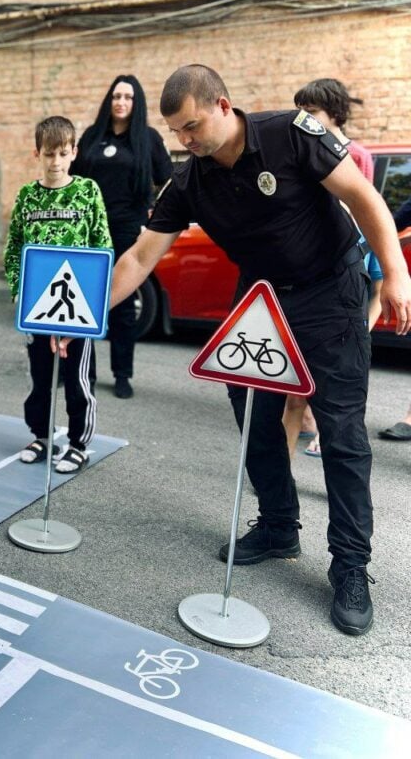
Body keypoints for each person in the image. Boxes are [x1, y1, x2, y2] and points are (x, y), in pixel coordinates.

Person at [106, 64, 411, 635]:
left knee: (342, 430)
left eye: (191, 126)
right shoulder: (190, 178)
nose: (185, 141)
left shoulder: (291, 133)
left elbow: (363, 195)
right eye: (175, 132)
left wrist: (394, 272)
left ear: (223, 105)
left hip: (330, 289)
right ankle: (277, 526)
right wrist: (88, 316)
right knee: (254, 413)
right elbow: (140, 258)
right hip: (264, 298)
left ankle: (350, 565)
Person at [4, 116, 112, 474]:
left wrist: (95, 300)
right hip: (37, 305)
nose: (55, 161)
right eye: (49, 154)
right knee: (40, 376)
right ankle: (42, 436)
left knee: (78, 379)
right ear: (37, 153)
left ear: (74, 152)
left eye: (63, 153)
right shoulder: (27, 195)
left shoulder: (87, 191)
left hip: (77, 305)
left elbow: (102, 245)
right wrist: (19, 291)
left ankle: (79, 443)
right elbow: (14, 248)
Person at [283, 79, 378, 458]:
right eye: (300, 108)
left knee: (337, 378)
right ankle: (282, 465)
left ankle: (327, 438)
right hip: (307, 263)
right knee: (294, 386)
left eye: (313, 110)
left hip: (346, 259)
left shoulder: (357, 154)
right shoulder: (299, 146)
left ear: (335, 113)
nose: (305, 117)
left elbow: (363, 205)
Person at [75, 75, 173, 399]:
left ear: (136, 102)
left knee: (121, 305)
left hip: (126, 230)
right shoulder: (92, 136)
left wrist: (153, 216)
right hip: (89, 229)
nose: (121, 102)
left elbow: (169, 181)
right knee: (83, 301)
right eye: (116, 95)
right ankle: (81, 371)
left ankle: (122, 374)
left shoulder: (148, 138)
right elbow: (75, 179)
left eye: (128, 97)